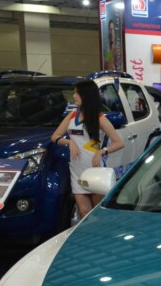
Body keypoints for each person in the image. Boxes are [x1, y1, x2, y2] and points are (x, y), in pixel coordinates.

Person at [51, 79, 124, 220]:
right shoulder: (72, 116)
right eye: (74, 93)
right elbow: (55, 136)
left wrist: (102, 151)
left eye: (77, 93)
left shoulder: (100, 118)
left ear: (87, 95)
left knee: (98, 214)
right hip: (76, 170)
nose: (74, 96)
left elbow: (119, 142)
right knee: (84, 212)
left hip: (95, 170)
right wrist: (68, 142)